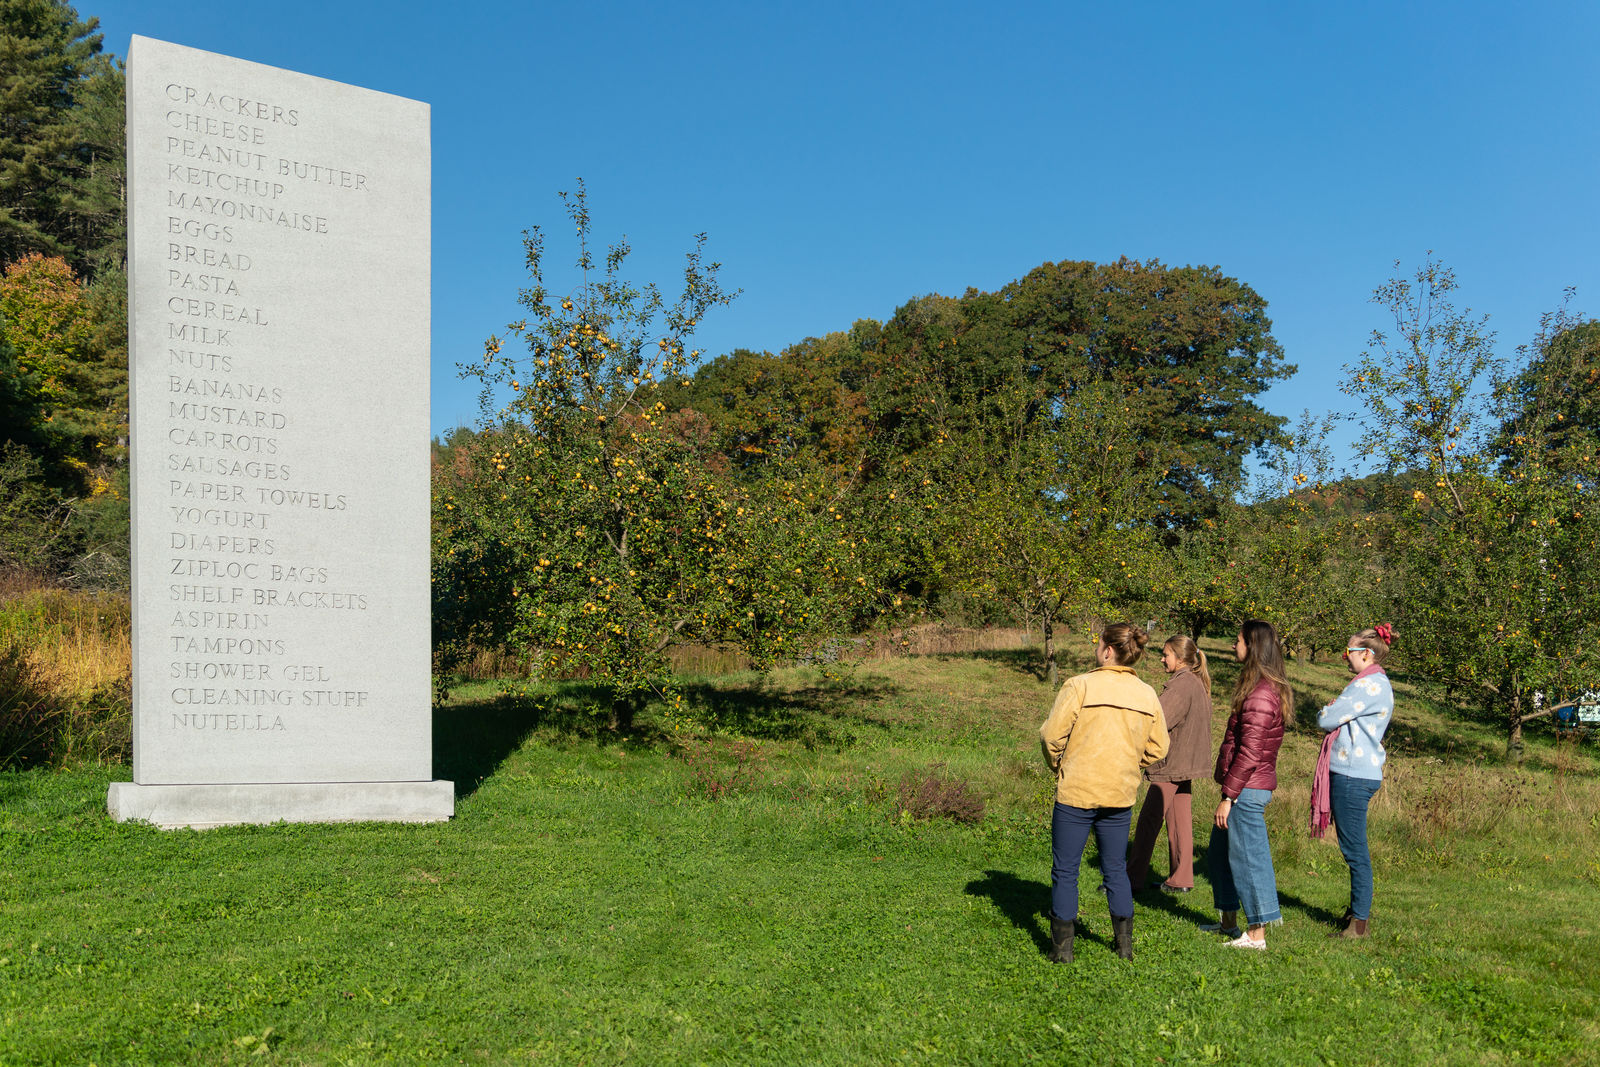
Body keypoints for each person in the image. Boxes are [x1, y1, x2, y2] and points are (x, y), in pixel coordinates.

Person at [1039, 622, 1170, 963]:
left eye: (1099, 645)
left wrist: (1059, 765)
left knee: (1066, 870)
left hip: (1077, 791)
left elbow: (1052, 736)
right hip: (1119, 793)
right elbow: (1159, 747)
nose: (1097, 649)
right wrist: (1130, 763)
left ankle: (1062, 950)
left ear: (1108, 650)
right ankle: (1124, 946)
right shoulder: (1146, 694)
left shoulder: (1079, 686)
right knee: (1115, 867)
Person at [1202, 619, 1292, 950]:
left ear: (1252, 646)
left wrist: (1229, 796)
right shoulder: (1256, 687)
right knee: (1220, 854)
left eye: (1238, 640)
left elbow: (1251, 752)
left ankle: (1257, 935)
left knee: (1248, 859)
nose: (1233, 644)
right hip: (1242, 787)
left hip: (1246, 790)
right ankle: (1228, 921)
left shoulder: (1261, 694)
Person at [1313, 624, 1396, 938]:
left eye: (1349, 651)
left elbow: (1326, 717)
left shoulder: (1367, 686)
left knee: (1355, 850)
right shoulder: (1373, 682)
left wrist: (1329, 708)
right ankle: (1354, 913)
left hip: (1353, 774)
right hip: (1358, 772)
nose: (1344, 656)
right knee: (1354, 847)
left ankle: (1358, 923)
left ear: (1367, 654)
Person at [1128, 635, 1213, 894]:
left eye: (1166, 654)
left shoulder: (1181, 685)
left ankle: (1130, 879)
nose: (1162, 659)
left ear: (1180, 658)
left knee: (1148, 822)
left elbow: (1158, 721)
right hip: (1185, 762)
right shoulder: (1196, 682)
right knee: (1180, 821)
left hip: (1171, 763)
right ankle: (1181, 878)